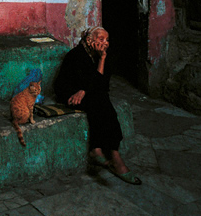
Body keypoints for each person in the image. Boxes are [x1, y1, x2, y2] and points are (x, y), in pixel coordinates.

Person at [53, 26, 141, 185]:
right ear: (89, 40)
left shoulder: (103, 57)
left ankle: (100, 150)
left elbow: (101, 85)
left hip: (90, 95)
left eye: (107, 40)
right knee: (99, 99)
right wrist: (84, 90)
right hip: (70, 94)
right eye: (101, 39)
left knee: (99, 99)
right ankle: (114, 157)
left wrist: (101, 60)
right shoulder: (76, 55)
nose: (105, 43)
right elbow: (77, 84)